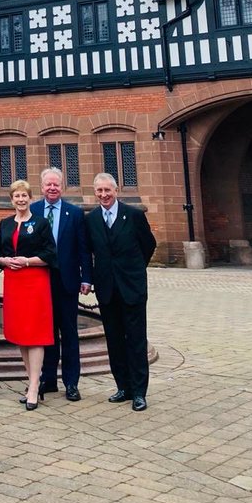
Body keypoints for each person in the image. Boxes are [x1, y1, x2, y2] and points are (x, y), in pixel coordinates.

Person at [85, 171, 157, 411]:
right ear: (95, 192)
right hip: (107, 290)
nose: (104, 195)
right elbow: (90, 251)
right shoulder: (92, 218)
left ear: (116, 191)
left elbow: (148, 245)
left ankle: (139, 392)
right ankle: (123, 387)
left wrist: (134, 270)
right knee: (114, 341)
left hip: (132, 288)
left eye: (108, 190)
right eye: (99, 191)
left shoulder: (134, 215)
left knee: (135, 340)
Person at [30, 167, 93, 401]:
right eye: (48, 185)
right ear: (42, 186)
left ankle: (71, 382)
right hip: (40, 281)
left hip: (67, 281)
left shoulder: (74, 213)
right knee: (45, 333)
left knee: (68, 333)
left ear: (62, 187)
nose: (52, 188)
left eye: (56, 184)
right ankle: (47, 380)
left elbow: (83, 249)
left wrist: (86, 277)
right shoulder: (34, 210)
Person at [0, 179, 57, 410]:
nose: (21, 200)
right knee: (20, 334)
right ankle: (32, 381)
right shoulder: (5, 223)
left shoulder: (40, 223)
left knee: (35, 334)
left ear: (31, 198)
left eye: (24, 196)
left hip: (34, 281)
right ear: (11, 200)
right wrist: (4, 260)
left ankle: (33, 387)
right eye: (16, 197)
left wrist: (27, 261)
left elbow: (50, 254)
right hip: (13, 282)